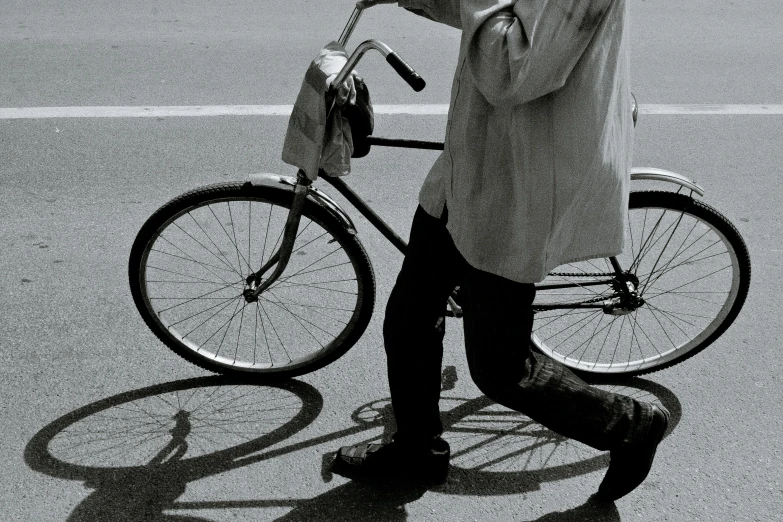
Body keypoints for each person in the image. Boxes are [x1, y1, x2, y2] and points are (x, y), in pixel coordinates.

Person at [332, 0, 670, 501]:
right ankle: (416, 448)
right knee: (409, 314)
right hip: (469, 171)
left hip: (519, 186)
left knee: (500, 367)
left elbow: (515, 72)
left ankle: (630, 424)